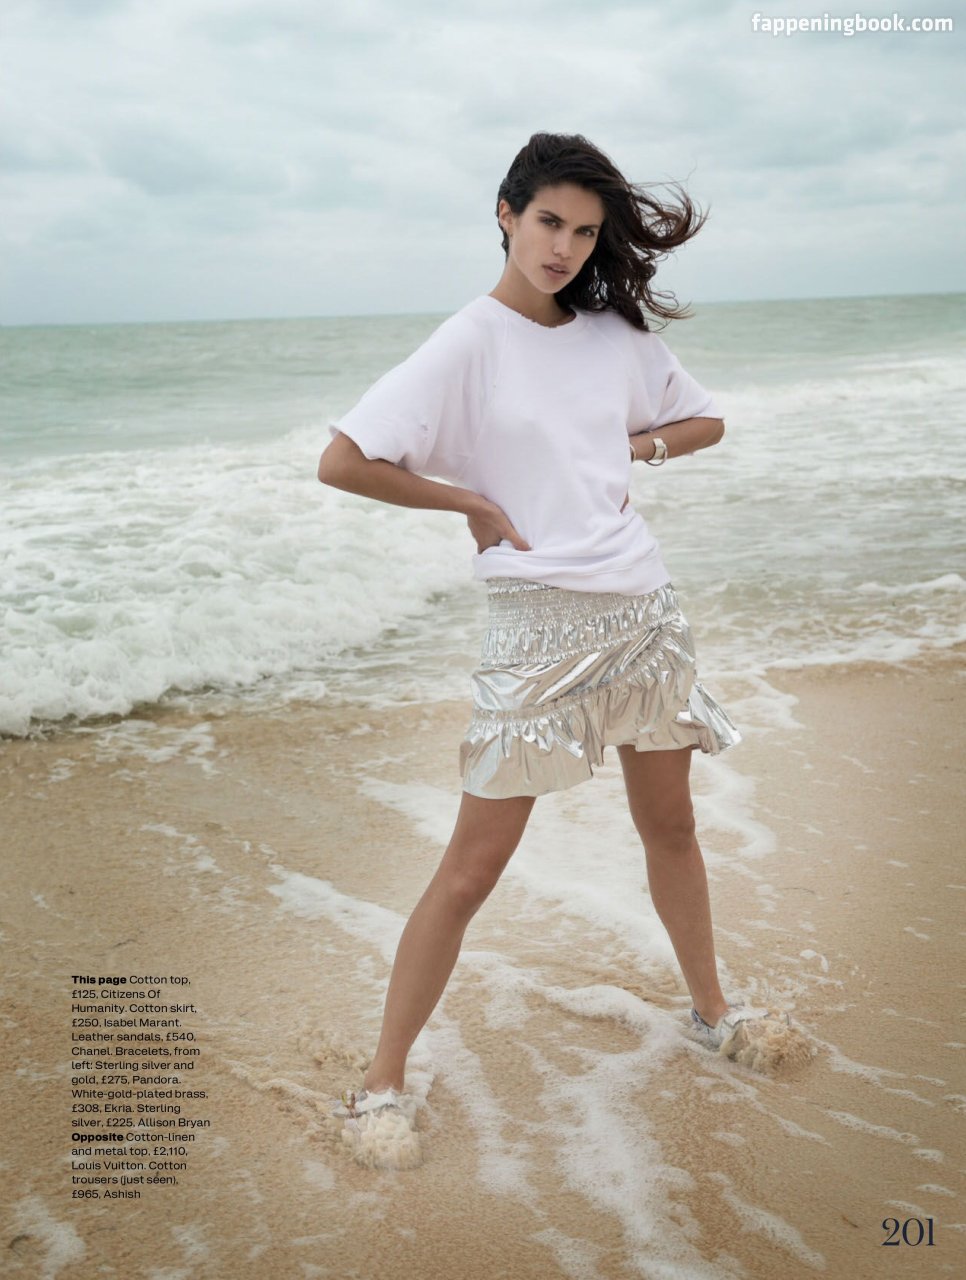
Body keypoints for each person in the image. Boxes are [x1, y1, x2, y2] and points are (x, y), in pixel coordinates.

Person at [317, 132, 785, 1122]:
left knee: (672, 825)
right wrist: (469, 503)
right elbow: (346, 460)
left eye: (582, 231)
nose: (563, 247)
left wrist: (636, 445)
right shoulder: (469, 342)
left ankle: (712, 1010)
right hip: (534, 627)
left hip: (643, 612)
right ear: (505, 214)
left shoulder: (614, 335)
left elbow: (705, 420)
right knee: (472, 867)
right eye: (547, 222)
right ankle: (382, 1083)